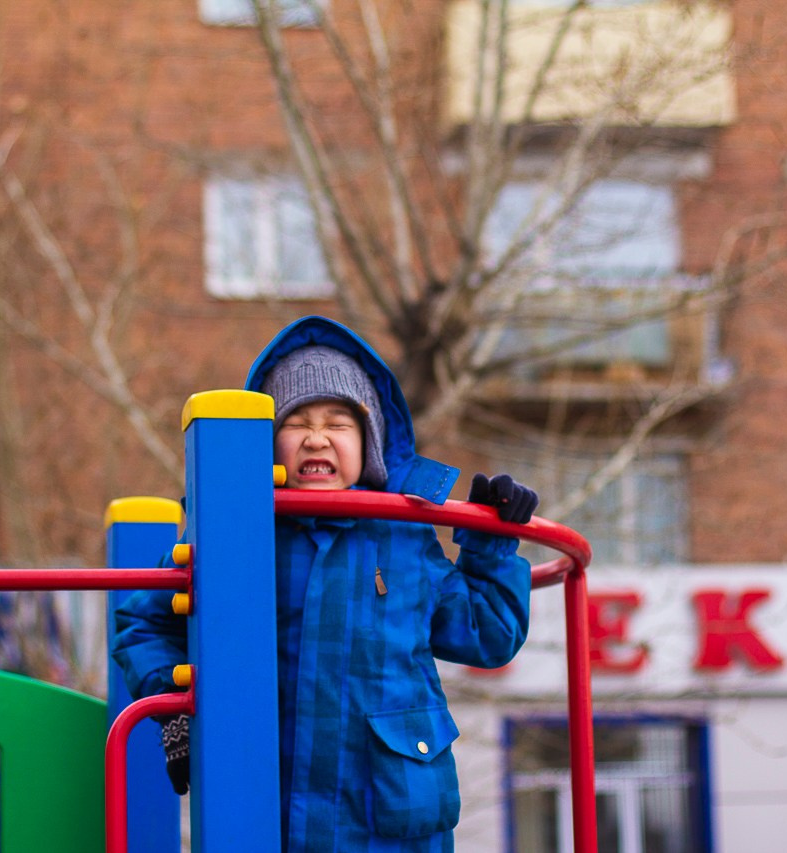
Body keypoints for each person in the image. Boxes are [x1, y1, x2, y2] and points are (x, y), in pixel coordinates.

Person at [112, 315, 538, 852]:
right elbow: (142, 622)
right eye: (296, 422)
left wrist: (491, 542)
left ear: (370, 443)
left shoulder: (403, 537)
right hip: (275, 809)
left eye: (339, 423)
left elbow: (488, 635)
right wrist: (175, 706)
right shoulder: (236, 534)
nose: (317, 438)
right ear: (267, 447)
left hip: (389, 819)